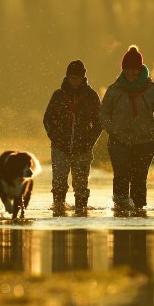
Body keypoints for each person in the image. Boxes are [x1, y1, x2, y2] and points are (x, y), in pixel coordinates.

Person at [100, 46, 154, 211]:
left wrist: (151, 130)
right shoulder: (114, 89)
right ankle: (120, 210)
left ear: (140, 69)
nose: (130, 72)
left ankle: (138, 212)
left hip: (145, 142)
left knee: (139, 178)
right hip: (118, 141)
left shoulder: (153, 90)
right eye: (127, 69)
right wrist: (113, 130)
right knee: (121, 176)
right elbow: (103, 114)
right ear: (123, 69)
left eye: (134, 69)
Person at [43, 60, 103, 216]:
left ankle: (81, 214)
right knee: (58, 184)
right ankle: (58, 212)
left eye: (76, 78)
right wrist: (55, 138)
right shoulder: (58, 95)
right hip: (60, 148)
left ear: (83, 78)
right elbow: (48, 119)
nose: (74, 80)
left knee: (81, 186)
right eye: (71, 77)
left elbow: (99, 123)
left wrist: (89, 143)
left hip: (83, 149)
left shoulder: (91, 96)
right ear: (67, 77)